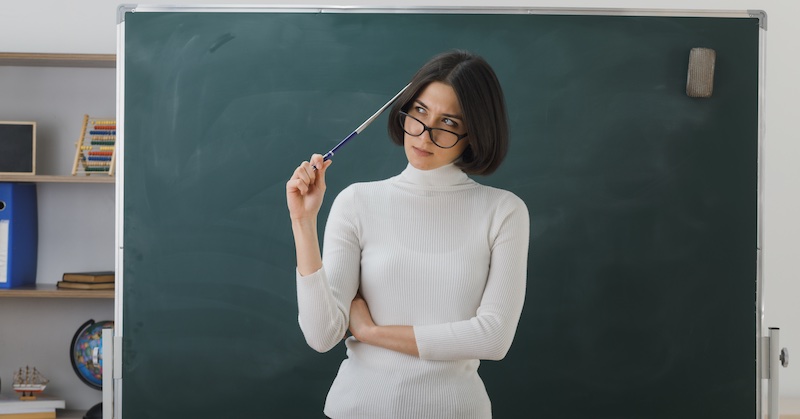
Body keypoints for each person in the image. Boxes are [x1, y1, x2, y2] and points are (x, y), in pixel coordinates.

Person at [286, 50, 530, 419]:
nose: (424, 134)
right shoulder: (357, 202)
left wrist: (369, 332)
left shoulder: (503, 212)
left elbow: (493, 338)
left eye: (447, 122)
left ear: (474, 132)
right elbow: (322, 336)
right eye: (418, 111)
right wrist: (303, 223)